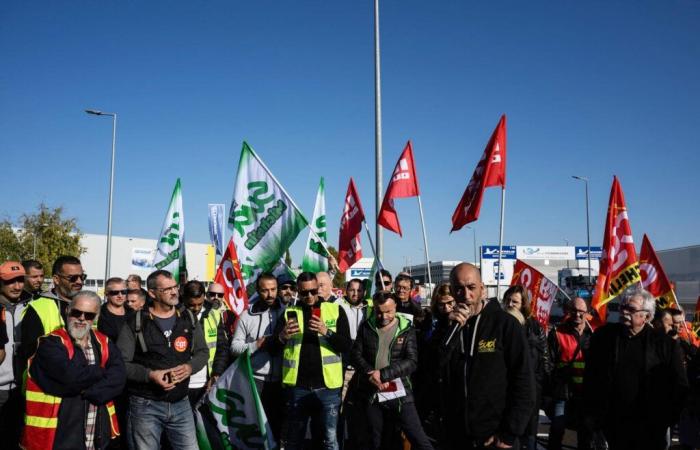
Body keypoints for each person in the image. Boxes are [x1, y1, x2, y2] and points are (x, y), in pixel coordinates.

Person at [439, 263, 534, 449]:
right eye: (459, 289)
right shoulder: (447, 327)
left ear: (482, 289)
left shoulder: (505, 325)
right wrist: (449, 332)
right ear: (451, 290)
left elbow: (524, 382)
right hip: (455, 434)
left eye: (471, 288)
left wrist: (509, 433)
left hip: (494, 435)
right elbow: (435, 370)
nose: (466, 295)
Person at [584, 288, 689, 450]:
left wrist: (666, 420)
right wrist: (594, 417)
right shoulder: (603, 337)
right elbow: (591, 377)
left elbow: (679, 385)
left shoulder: (665, 345)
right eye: (622, 308)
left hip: (651, 427)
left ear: (647, 316)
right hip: (613, 425)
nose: (624, 312)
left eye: (631, 309)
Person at [21, 290, 126, 450]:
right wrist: (101, 372)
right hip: (60, 435)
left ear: (96, 318)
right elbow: (70, 377)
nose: (82, 319)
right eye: (77, 312)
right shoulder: (50, 343)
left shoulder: (104, 342)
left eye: (89, 315)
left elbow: (119, 378)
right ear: (67, 311)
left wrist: (89, 392)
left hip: (97, 433)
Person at [117, 269, 208, 450]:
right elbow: (121, 364)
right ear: (152, 293)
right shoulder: (135, 322)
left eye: (175, 287)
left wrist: (190, 367)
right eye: (167, 289)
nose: (174, 292)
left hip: (181, 403)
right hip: (145, 405)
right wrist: (150, 375)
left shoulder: (188, 318)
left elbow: (203, 352)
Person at [272, 272, 352, 450]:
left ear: (319, 289)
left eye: (313, 291)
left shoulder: (335, 310)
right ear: (297, 292)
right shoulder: (289, 313)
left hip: (328, 387)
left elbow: (346, 345)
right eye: (304, 293)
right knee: (294, 439)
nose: (309, 296)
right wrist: (282, 336)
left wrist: (326, 331)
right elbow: (274, 348)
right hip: (297, 386)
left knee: (329, 439)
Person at [350, 291, 434, 450]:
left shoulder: (406, 329)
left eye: (388, 311)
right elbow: (355, 355)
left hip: (400, 394)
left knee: (417, 437)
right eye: (379, 312)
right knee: (377, 440)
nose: (383, 316)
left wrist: (383, 374)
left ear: (395, 306)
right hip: (372, 392)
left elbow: (411, 361)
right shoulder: (367, 327)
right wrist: (370, 374)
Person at [230, 273, 285, 439]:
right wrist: (255, 345)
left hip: (282, 381)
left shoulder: (288, 312)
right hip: (255, 381)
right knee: (256, 432)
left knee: (276, 430)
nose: (270, 294)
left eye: (273, 289)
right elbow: (234, 348)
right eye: (265, 290)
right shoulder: (247, 316)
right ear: (258, 291)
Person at [503, 285, 549, 450]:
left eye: (514, 301)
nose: (510, 304)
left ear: (523, 304)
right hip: (505, 392)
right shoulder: (499, 325)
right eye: (507, 300)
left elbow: (544, 360)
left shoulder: (535, 328)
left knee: (529, 436)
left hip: (530, 391)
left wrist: (539, 386)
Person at [547, 296, 593, 450]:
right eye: (574, 311)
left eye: (581, 312)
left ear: (587, 313)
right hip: (563, 392)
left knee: (586, 433)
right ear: (567, 311)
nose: (577, 315)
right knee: (557, 428)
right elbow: (549, 364)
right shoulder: (557, 333)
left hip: (586, 393)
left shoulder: (594, 335)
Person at [21, 255, 86, 363]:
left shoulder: (88, 304)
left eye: (82, 277)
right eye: (73, 278)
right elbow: (30, 353)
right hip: (52, 375)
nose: (79, 282)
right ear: (56, 279)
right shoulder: (38, 307)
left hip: (86, 374)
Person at [338, 278, 371, 449]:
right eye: (352, 289)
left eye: (359, 290)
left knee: (363, 410)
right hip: (344, 366)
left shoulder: (370, 308)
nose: (355, 293)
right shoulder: (338, 306)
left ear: (364, 292)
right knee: (340, 409)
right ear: (346, 290)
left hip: (364, 367)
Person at [181, 280, 221, 408]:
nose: (196, 308)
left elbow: (222, 347)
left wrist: (216, 372)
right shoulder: (174, 315)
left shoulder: (214, 314)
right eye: (192, 305)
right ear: (184, 299)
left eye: (200, 304)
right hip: (182, 384)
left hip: (206, 383)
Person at [0, 262, 19, 448]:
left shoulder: (30, 306)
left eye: (20, 280)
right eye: (11, 281)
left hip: (22, 388)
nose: (17, 285)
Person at [98, 277, 133, 341]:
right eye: (115, 292)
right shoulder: (98, 314)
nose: (120, 296)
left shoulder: (133, 313)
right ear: (106, 294)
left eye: (123, 292)